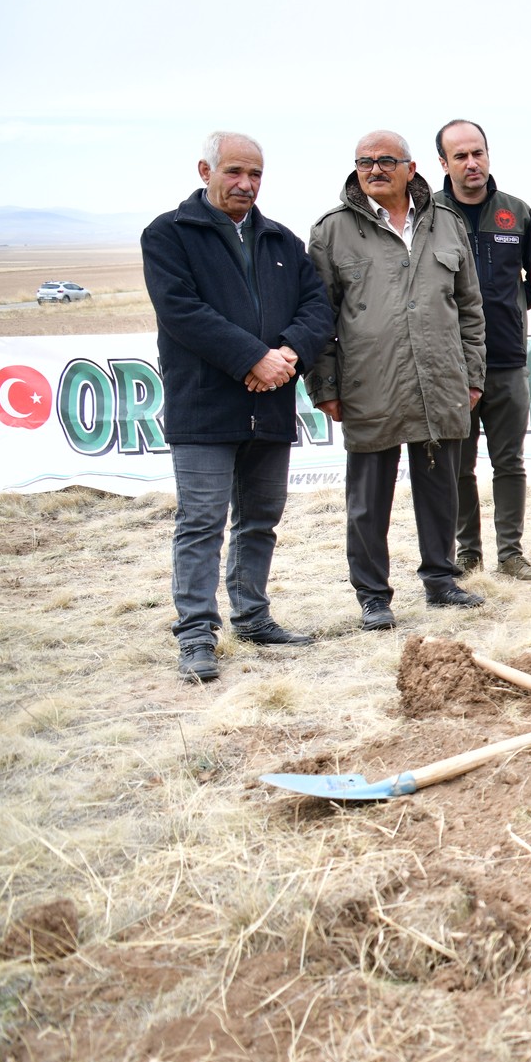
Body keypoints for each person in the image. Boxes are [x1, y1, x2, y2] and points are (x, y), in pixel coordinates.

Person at [145, 131, 335, 682]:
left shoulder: (281, 242)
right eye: (234, 171)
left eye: (255, 174)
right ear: (205, 170)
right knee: (202, 522)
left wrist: (288, 354)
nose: (246, 184)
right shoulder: (168, 234)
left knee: (260, 519)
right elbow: (181, 311)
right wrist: (253, 357)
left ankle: (252, 617)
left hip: (270, 404)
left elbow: (317, 307)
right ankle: (196, 635)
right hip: (203, 407)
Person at [307, 131, 486, 630]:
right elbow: (318, 318)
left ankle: (441, 581)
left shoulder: (446, 222)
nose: (374, 169)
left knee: (441, 488)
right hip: (369, 384)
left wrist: (472, 374)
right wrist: (326, 386)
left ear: (411, 168)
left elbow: (470, 308)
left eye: (386, 160)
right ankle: (373, 597)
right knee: (367, 500)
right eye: (364, 161)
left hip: (440, 379)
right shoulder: (331, 231)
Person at [431, 119, 531, 581]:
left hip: (507, 359)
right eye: (459, 155)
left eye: (477, 152)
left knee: (509, 462)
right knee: (458, 465)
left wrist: (515, 305)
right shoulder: (429, 214)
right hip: (451, 364)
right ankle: (468, 553)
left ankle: (511, 554)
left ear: (488, 154)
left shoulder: (516, 213)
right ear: (444, 163)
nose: (471, 163)